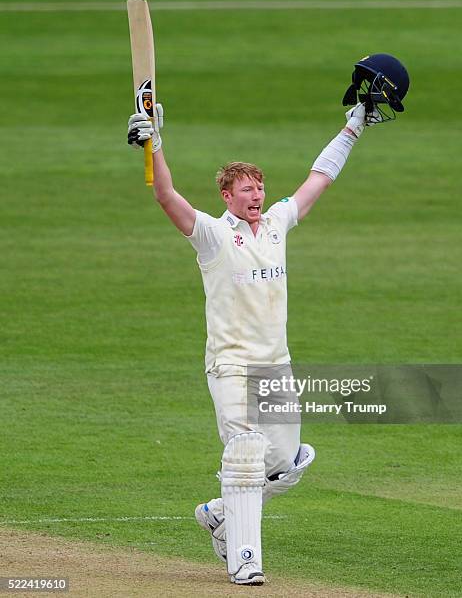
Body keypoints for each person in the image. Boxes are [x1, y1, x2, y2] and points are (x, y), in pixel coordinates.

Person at [127, 101, 379, 585]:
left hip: (275, 367)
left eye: (260, 187)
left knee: (287, 465)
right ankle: (245, 559)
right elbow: (165, 196)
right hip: (231, 365)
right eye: (246, 189)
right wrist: (153, 144)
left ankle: (219, 514)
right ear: (226, 195)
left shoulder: (280, 224)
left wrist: (354, 126)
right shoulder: (213, 236)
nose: (257, 195)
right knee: (243, 453)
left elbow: (319, 179)